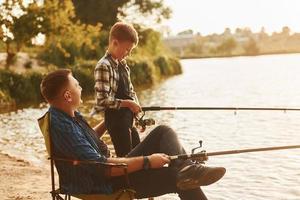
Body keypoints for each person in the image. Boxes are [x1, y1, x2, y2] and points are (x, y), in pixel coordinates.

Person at [40, 69, 226, 200]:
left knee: (163, 132)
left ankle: (188, 168)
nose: (80, 88)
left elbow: (85, 144)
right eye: (77, 85)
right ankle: (187, 170)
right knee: (175, 176)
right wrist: (147, 161)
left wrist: (110, 120)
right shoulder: (64, 126)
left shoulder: (64, 116)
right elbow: (102, 168)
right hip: (104, 183)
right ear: (67, 95)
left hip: (105, 171)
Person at [92, 22, 141, 157]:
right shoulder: (103, 65)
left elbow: (130, 92)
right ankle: (124, 179)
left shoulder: (123, 65)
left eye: (131, 51)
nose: (128, 54)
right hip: (116, 122)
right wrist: (129, 104)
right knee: (126, 158)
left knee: (140, 154)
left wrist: (137, 114)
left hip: (129, 119)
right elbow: (102, 101)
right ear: (115, 43)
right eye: (127, 49)